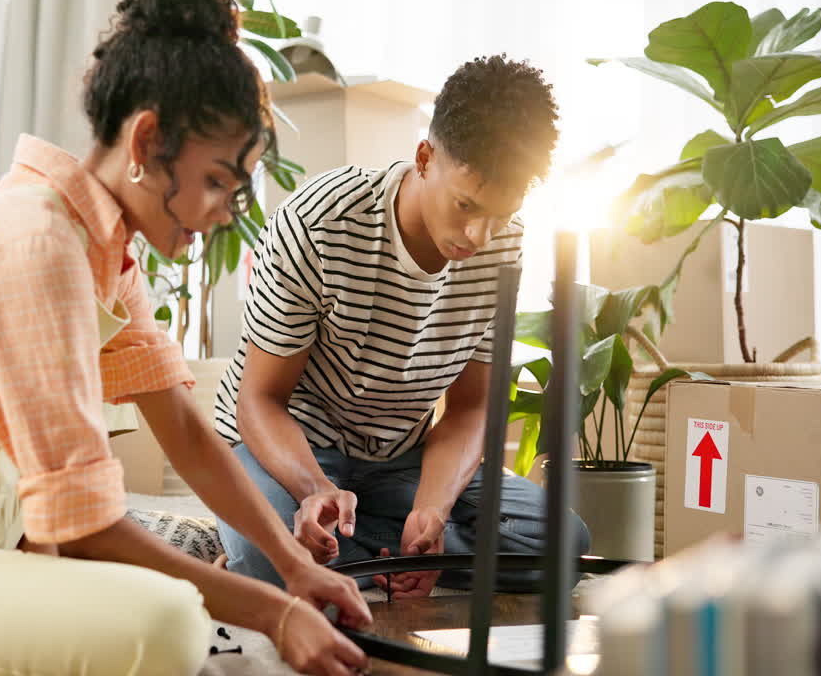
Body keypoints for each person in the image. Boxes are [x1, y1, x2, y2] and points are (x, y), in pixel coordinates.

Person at [0, 0, 371, 676]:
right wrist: (274, 612)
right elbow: (80, 531)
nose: (227, 212)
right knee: (170, 623)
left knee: (178, 597)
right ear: (145, 144)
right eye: (217, 181)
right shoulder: (34, 245)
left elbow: (187, 430)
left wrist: (294, 567)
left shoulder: (99, 245)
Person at [215, 54, 591, 599]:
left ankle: (359, 555)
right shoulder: (319, 223)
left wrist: (432, 510)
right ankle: (301, 542)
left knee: (562, 540)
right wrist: (313, 490)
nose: (479, 235)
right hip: (290, 448)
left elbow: (470, 405)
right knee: (270, 558)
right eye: (466, 204)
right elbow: (259, 400)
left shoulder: (504, 247)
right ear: (424, 157)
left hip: (399, 460)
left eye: (501, 214)